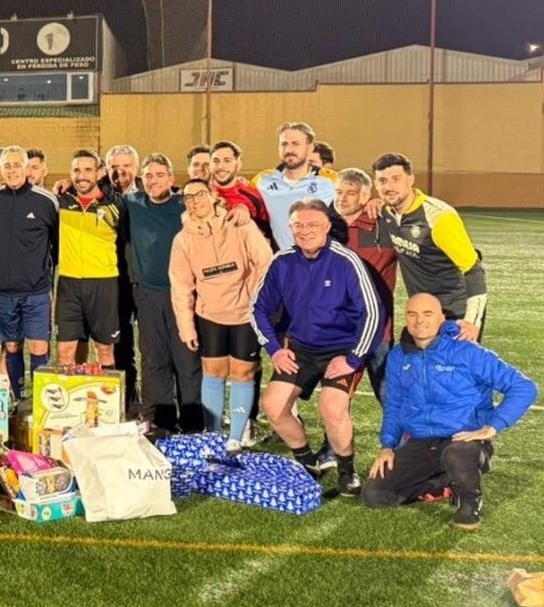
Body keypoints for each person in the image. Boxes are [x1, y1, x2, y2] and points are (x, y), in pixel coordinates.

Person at [365, 294, 536, 529]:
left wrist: (492, 427)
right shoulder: (398, 357)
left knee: (456, 455)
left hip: (463, 439)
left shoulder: (467, 351)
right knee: (375, 495)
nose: (419, 321)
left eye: (427, 314)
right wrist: (387, 446)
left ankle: (470, 501)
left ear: (441, 318)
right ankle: (445, 482)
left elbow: (524, 387)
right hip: (422, 441)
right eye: (412, 314)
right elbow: (394, 404)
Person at [252, 200, 384, 496]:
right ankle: (307, 461)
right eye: (299, 225)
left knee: (332, 407)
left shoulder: (345, 260)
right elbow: (258, 308)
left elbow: (373, 312)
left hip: (341, 350)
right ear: (290, 228)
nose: (305, 230)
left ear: (326, 228)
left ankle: (346, 471)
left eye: (313, 225)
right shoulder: (281, 261)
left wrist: (353, 359)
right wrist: (274, 349)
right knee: (274, 407)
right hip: (300, 349)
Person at [170, 179, 274, 447]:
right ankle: (213, 435)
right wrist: (187, 328)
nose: (195, 201)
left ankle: (236, 437)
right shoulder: (182, 239)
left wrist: (255, 297)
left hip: (244, 314)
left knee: (243, 373)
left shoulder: (240, 225)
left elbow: (265, 262)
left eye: (200, 194)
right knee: (213, 372)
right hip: (210, 315)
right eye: (188, 197)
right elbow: (181, 286)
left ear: (214, 195)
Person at [122, 155, 202, 432]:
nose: (153, 180)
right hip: (148, 295)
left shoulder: (185, 206)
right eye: (148, 176)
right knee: (154, 359)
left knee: (187, 359)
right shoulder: (133, 204)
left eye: (159, 174)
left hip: (183, 295)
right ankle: (160, 420)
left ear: (171, 178)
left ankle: (193, 422)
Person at [373, 152, 487, 339]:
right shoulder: (386, 212)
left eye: (396, 179)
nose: (389, 187)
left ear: (411, 180)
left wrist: (472, 322)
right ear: (376, 184)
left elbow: (474, 270)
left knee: (455, 367)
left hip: (454, 312)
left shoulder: (439, 217)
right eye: (383, 181)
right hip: (422, 311)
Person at [0, 147, 58, 400]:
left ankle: (38, 402)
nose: (12, 170)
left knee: (38, 346)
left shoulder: (46, 201)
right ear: (0, 170)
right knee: (12, 346)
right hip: (2, 291)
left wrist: (48, 283)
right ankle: (19, 396)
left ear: (27, 168)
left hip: (36, 290)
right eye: (7, 165)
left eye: (17, 164)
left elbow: (56, 246)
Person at [334, 167, 397, 400]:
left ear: (364, 196)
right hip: (340, 327)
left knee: (388, 393)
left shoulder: (383, 225)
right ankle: (334, 439)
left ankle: (407, 438)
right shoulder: (326, 227)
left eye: (350, 193)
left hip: (379, 328)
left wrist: (385, 204)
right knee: (337, 395)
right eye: (338, 192)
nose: (342, 198)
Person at [56, 150, 122, 367]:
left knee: (104, 349)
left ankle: (107, 401)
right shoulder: (61, 201)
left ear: (100, 173)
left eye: (87, 170)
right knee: (65, 350)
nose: (81, 175)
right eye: (76, 170)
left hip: (104, 282)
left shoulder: (115, 206)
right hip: (68, 283)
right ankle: (69, 400)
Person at [256, 122, 336, 250]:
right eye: (284, 144)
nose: (289, 150)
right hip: (281, 262)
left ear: (310, 149)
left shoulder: (327, 183)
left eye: (295, 144)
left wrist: (373, 202)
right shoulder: (263, 182)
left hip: (320, 261)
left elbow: (356, 198)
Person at [104, 144, 142, 406]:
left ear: (136, 168)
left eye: (126, 166)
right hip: (114, 281)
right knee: (120, 343)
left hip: (147, 280)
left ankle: (162, 400)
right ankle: (128, 396)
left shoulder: (153, 193)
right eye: (114, 167)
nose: (120, 172)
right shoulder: (101, 196)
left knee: (154, 344)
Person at [209, 140, 271, 242]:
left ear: (238, 165)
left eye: (227, 160)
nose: (220, 166)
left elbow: (266, 236)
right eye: (216, 161)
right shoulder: (201, 192)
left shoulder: (252, 195)